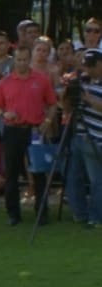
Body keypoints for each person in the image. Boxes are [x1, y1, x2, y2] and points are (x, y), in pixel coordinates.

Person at [0, 45, 58, 226]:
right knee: (12, 173)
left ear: (30, 59)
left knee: (38, 173)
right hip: (12, 130)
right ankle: (13, 213)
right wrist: (4, 114)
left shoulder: (41, 80)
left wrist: (48, 121)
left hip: (35, 130)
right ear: (14, 60)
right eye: (18, 60)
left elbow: (52, 103)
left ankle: (41, 212)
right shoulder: (4, 82)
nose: (21, 63)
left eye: (25, 60)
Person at [64, 48, 102, 228]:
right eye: (87, 66)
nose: (89, 69)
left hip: (96, 138)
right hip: (77, 134)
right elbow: (66, 107)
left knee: (97, 181)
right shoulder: (82, 81)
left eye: (92, 66)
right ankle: (80, 214)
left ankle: (96, 217)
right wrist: (68, 95)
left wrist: (88, 100)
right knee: (73, 177)